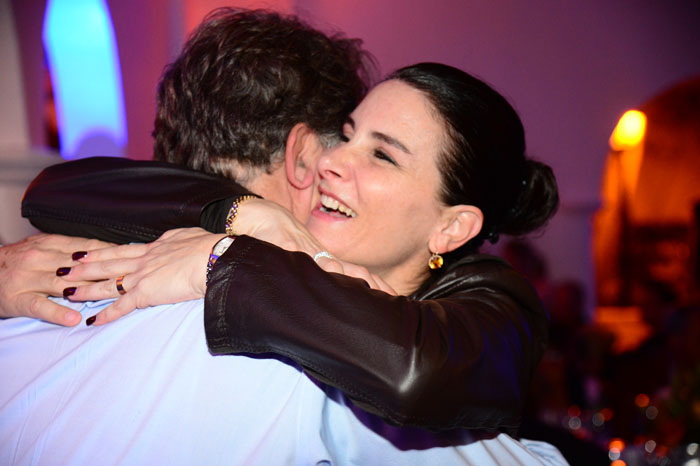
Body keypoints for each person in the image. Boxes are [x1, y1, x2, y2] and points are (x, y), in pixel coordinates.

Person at [19, 62, 559, 435]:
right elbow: (55, 191)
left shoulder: (500, 304)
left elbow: (418, 371)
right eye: (346, 135)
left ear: (452, 228)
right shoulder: (279, 229)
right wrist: (241, 213)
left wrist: (223, 263)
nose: (332, 161)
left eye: (382, 156)